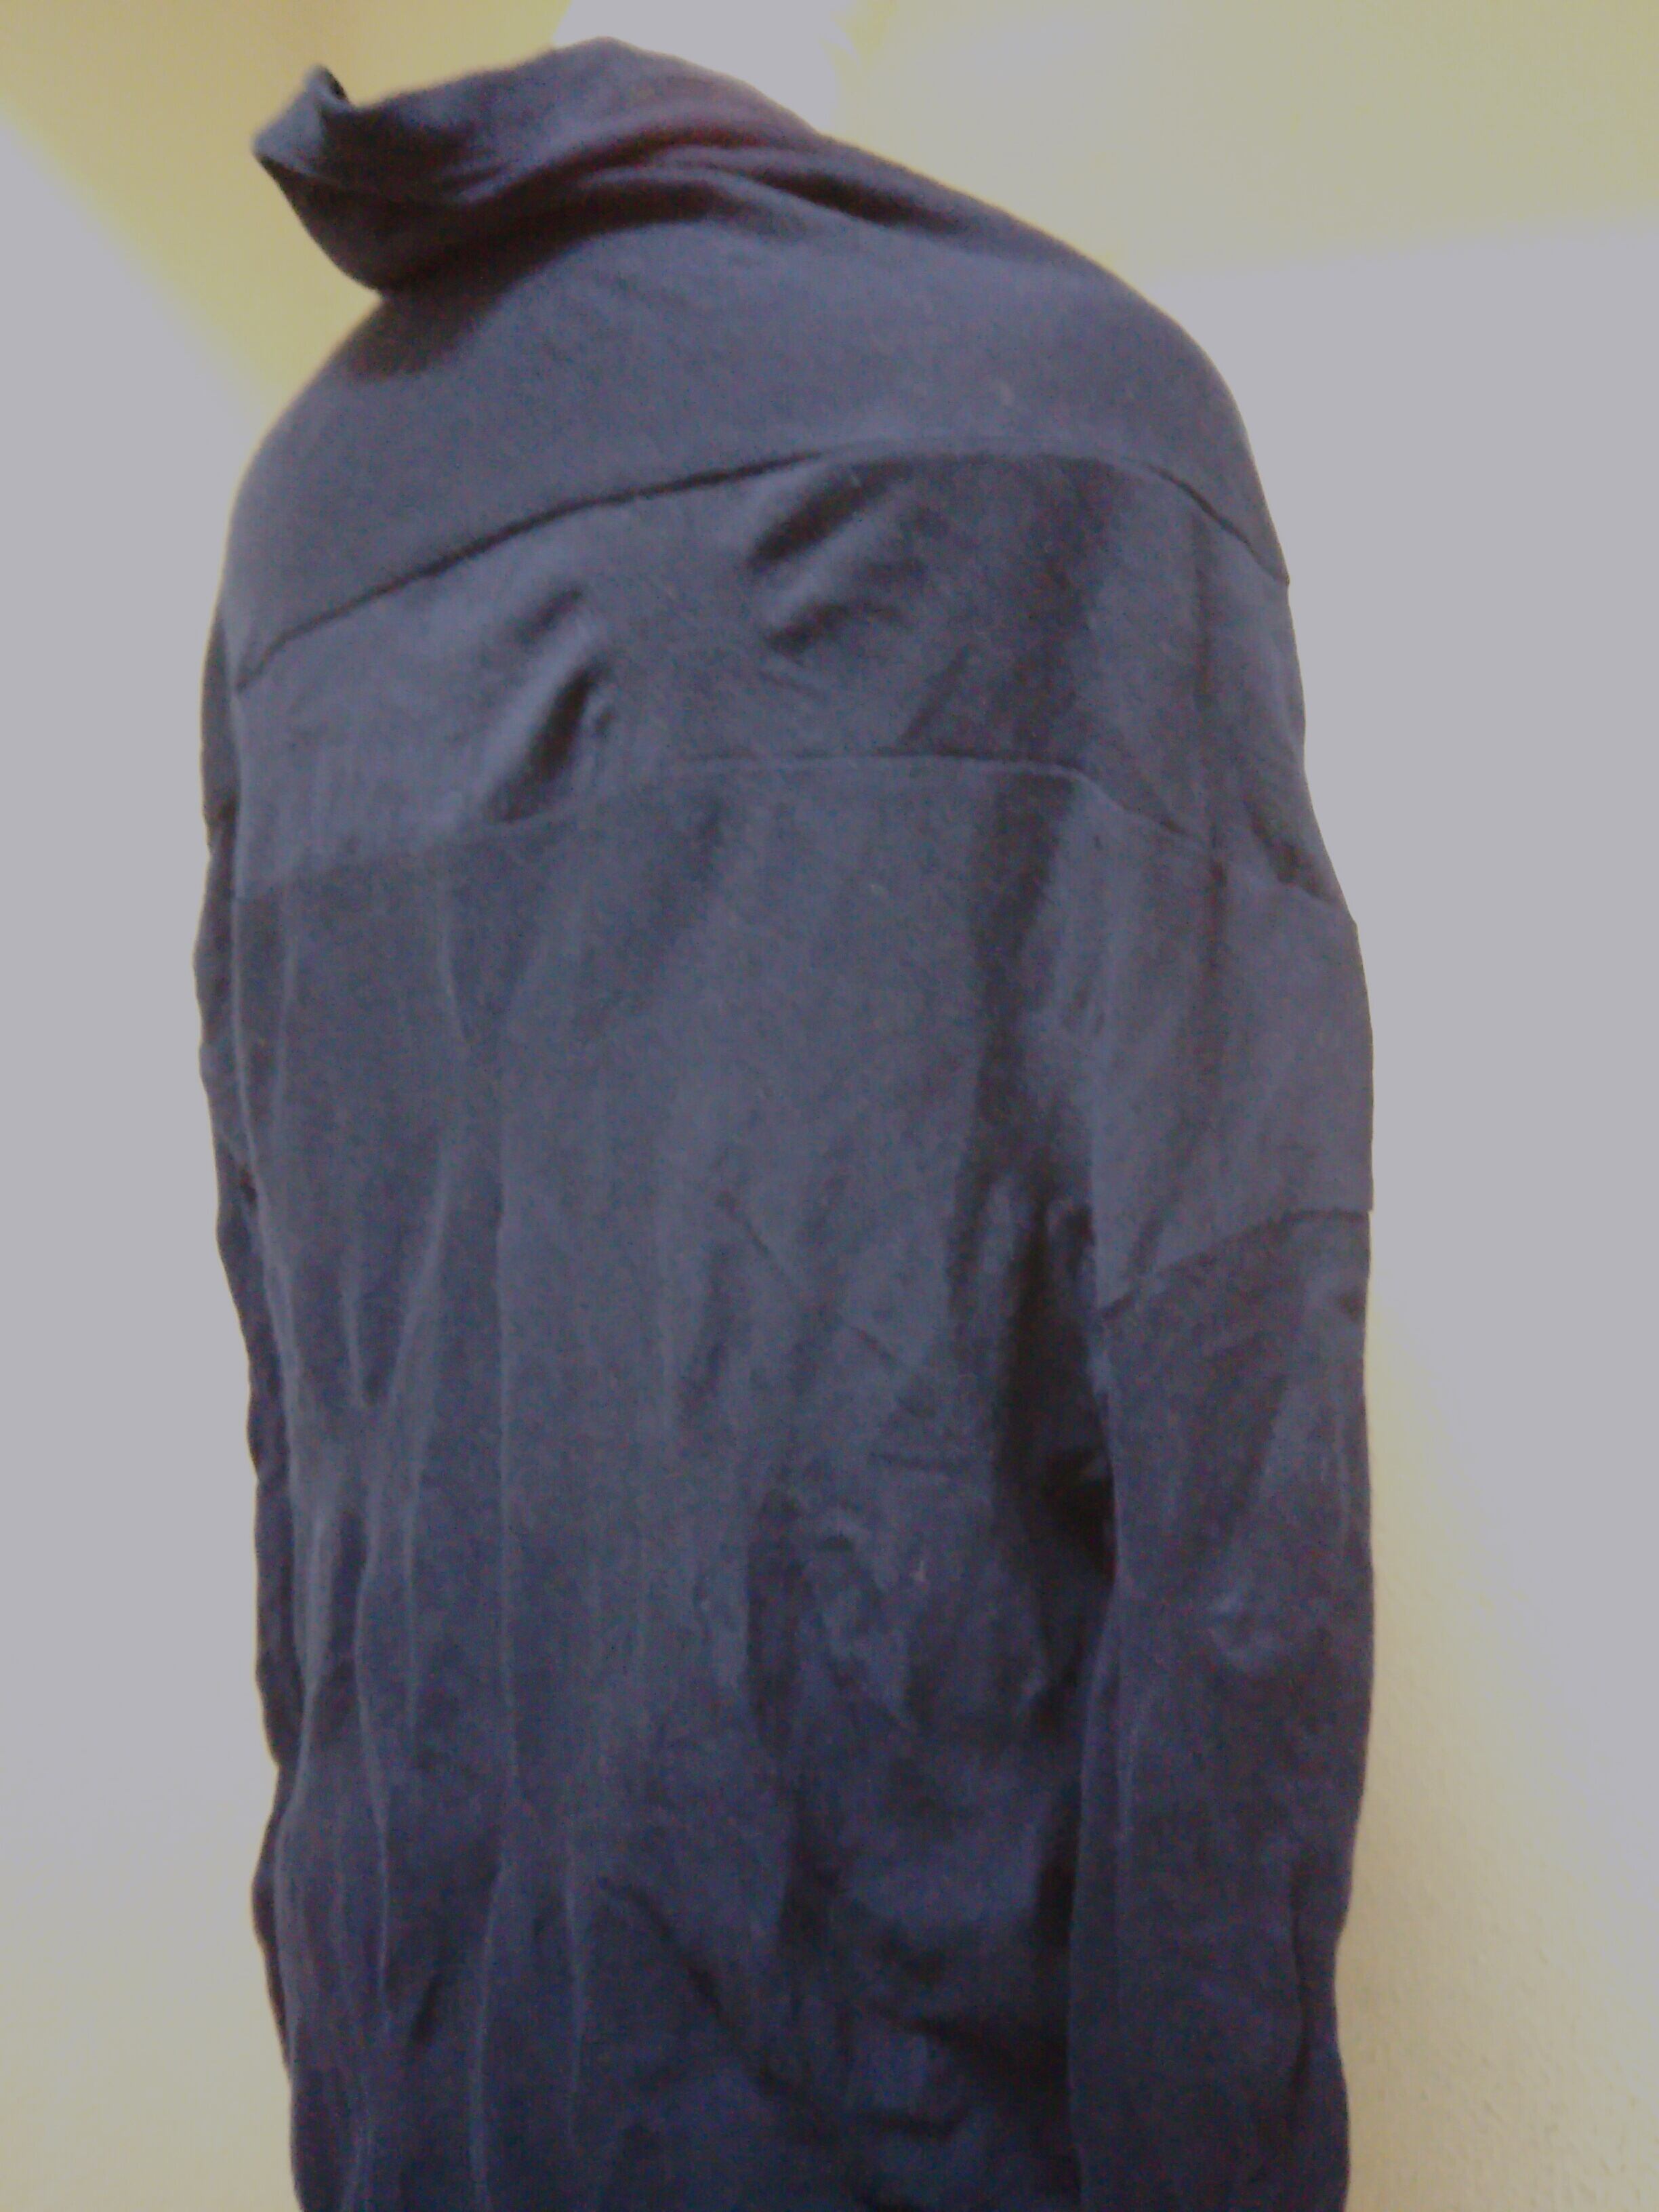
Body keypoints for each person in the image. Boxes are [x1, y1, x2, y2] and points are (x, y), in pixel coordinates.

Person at [194, 12, 1374, 2208]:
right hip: (920, 2091)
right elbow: (1242, 1465)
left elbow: (303, 1419)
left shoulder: (304, 527)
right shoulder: (1088, 430)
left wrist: (353, 2044)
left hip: (438, 2066)